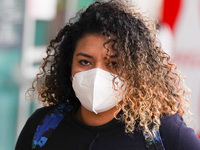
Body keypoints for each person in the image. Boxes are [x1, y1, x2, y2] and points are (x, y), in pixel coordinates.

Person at [15, 0, 200, 150]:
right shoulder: (42, 127)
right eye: (85, 62)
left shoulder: (165, 135)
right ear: (68, 67)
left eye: (113, 63)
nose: (97, 73)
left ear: (135, 71)